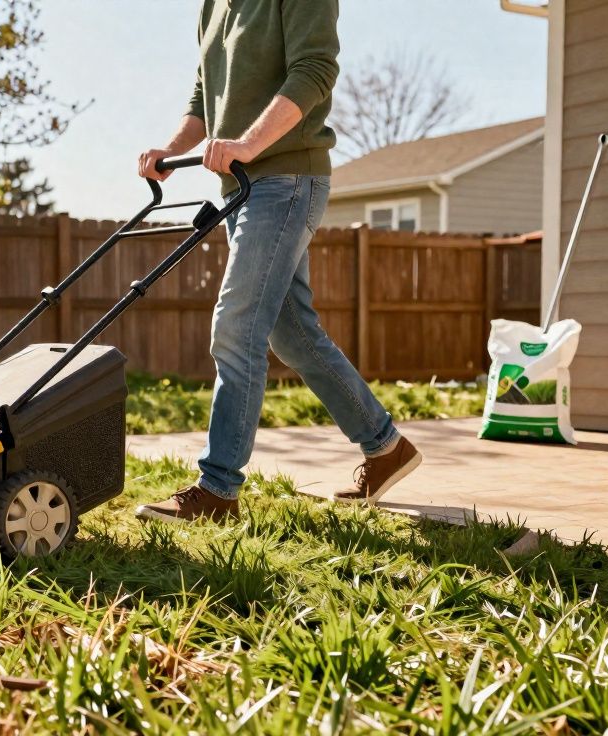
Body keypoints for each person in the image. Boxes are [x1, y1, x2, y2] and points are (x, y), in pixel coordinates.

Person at [134, 0, 421, 524]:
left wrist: (248, 143)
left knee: (236, 325)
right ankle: (386, 446)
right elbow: (205, 92)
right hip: (241, 187)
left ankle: (218, 489)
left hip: (287, 179)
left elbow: (315, 69)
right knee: (293, 335)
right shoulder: (214, 5)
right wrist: (170, 150)